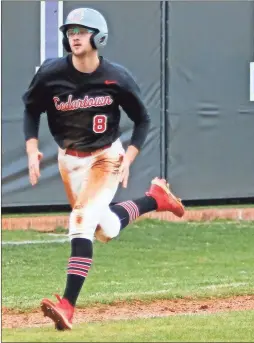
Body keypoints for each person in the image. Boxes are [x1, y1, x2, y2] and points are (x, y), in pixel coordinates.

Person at [22, 8, 185, 330]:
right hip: (69, 160)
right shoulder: (50, 73)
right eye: (70, 32)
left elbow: (143, 119)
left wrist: (130, 157)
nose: (75, 37)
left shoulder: (116, 77)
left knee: (81, 221)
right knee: (105, 228)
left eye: (82, 31)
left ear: (99, 37)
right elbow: (30, 110)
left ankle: (67, 305)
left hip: (105, 157)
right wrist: (31, 148)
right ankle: (154, 199)